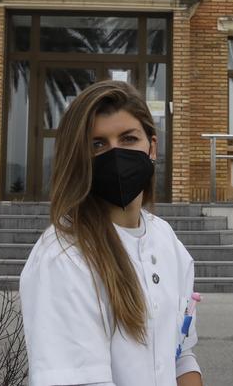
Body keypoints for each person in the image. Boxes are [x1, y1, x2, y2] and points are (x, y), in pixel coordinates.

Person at [20, 80, 204, 386]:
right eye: (98, 144)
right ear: (79, 156)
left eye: (128, 138)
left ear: (151, 147)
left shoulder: (166, 239)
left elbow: (181, 355)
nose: (115, 153)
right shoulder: (63, 255)